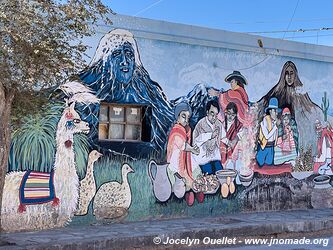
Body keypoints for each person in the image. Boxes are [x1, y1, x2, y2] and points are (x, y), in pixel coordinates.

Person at [166, 102, 200, 206]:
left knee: (196, 170)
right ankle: (183, 195)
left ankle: (194, 191)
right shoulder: (176, 131)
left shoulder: (188, 130)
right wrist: (192, 149)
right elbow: (182, 145)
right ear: (177, 117)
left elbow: (188, 145)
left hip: (186, 159)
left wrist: (193, 149)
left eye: (188, 117)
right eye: (183, 116)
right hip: (176, 161)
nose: (186, 120)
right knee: (179, 178)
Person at [192, 100, 224, 175]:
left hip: (215, 156)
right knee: (209, 177)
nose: (214, 117)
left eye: (216, 115)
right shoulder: (200, 124)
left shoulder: (218, 124)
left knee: (220, 174)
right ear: (207, 112)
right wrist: (210, 135)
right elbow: (196, 140)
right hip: (203, 158)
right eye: (212, 113)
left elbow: (223, 137)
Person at [256, 97, 281, 167]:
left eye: (277, 111)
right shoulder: (265, 120)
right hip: (264, 147)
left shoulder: (275, 121)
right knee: (260, 165)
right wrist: (275, 127)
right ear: (270, 111)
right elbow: (266, 136)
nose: (276, 113)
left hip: (271, 147)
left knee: (269, 166)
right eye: (274, 111)